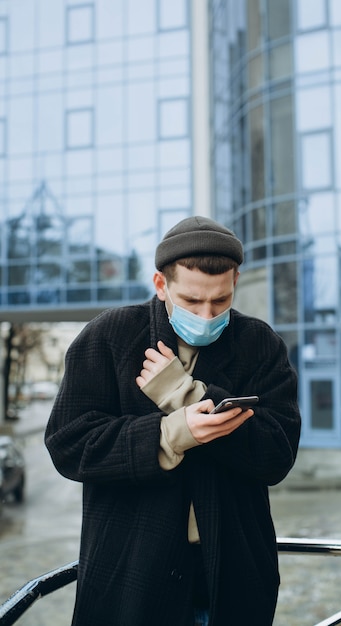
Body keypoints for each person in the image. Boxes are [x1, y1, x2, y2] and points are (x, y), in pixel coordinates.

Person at [45, 216, 301, 626]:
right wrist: (171, 434)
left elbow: (277, 456)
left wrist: (189, 395)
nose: (207, 314)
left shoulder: (260, 344)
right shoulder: (108, 336)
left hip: (233, 576)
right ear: (161, 284)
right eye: (191, 301)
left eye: (221, 300)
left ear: (236, 279)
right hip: (131, 574)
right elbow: (69, 445)